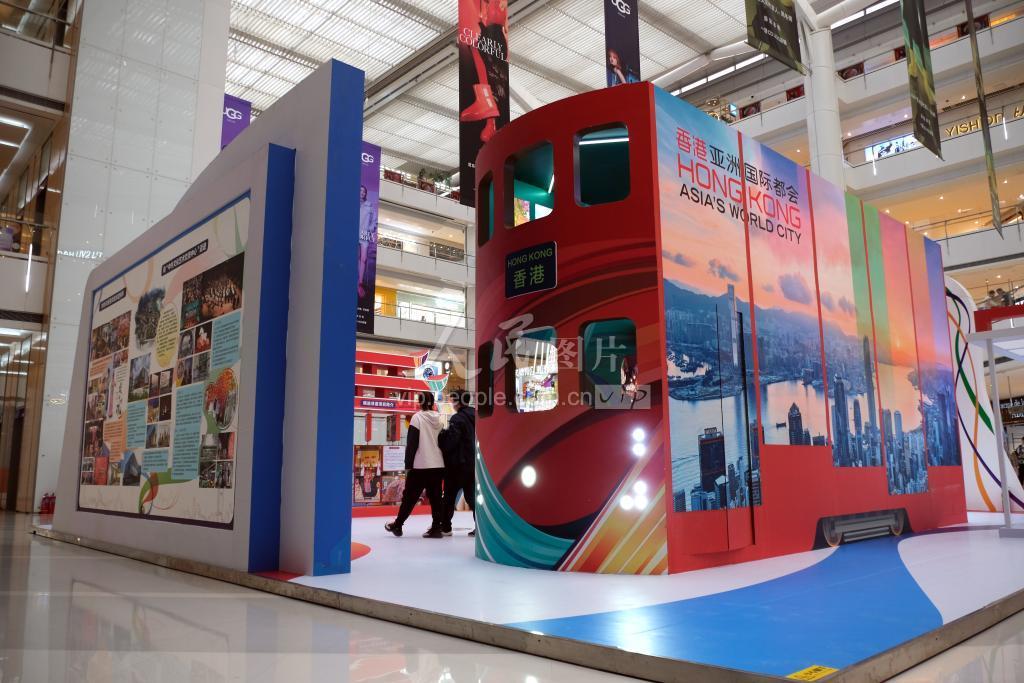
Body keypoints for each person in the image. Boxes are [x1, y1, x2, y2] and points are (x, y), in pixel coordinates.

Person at [386, 392, 446, 538]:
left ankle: (398, 525)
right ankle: (436, 528)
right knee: (436, 497)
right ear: (432, 402)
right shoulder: (440, 419)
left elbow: (412, 444)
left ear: (420, 402)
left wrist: (408, 464)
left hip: (420, 465)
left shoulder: (417, 418)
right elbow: (444, 441)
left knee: (410, 497)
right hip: (438, 464)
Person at [439, 390, 477, 536]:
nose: (451, 403)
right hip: (472, 464)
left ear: (459, 402)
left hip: (457, 465)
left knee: (449, 496)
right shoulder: (476, 416)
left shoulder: (457, 419)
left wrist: (442, 438)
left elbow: (451, 442)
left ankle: (446, 527)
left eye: (453, 400)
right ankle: (480, 527)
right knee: (472, 497)